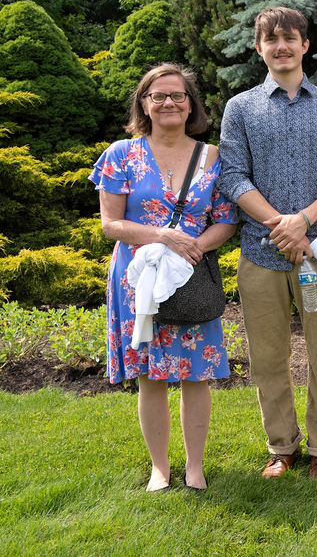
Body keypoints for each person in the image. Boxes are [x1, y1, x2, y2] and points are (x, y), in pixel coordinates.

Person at [218, 7, 317, 480]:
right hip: (261, 252)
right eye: (271, 39)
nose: (281, 46)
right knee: (267, 359)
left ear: (305, 46)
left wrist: (303, 221)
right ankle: (282, 447)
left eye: (290, 38)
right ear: (258, 48)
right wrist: (281, 224)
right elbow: (233, 177)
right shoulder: (240, 108)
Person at [90, 63, 238, 492]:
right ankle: (160, 468)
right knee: (149, 376)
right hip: (137, 281)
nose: (169, 102)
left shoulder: (213, 157)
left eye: (178, 95)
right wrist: (164, 235)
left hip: (191, 276)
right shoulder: (121, 155)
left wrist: (195, 246)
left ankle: (194, 467)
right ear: (144, 104)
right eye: (158, 96)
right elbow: (110, 225)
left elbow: (226, 221)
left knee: (195, 375)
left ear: (191, 104)